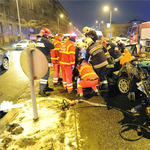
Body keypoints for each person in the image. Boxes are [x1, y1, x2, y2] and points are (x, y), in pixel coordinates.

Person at [36, 28, 54, 97]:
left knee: (46, 74)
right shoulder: (45, 40)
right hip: (45, 60)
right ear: (45, 34)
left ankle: (46, 87)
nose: (48, 36)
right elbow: (52, 46)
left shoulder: (38, 39)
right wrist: (49, 40)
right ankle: (41, 90)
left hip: (41, 59)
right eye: (48, 35)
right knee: (45, 75)